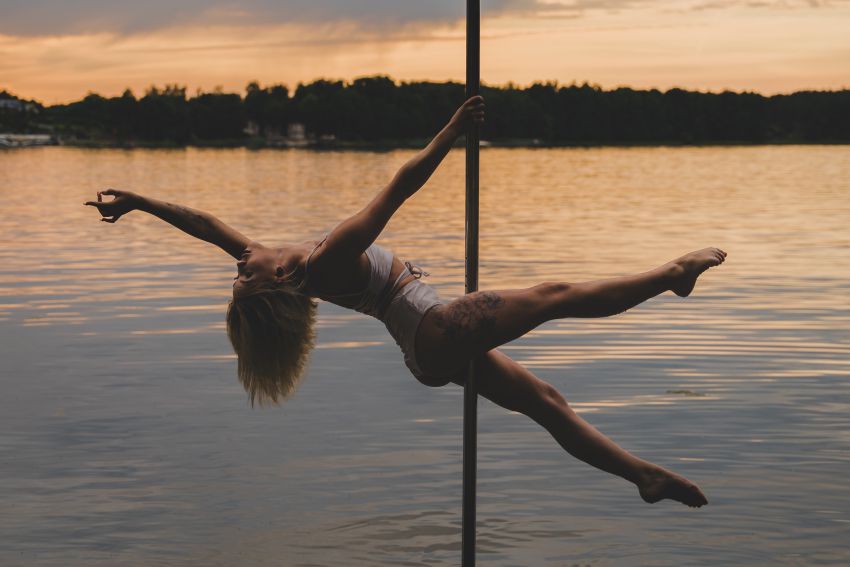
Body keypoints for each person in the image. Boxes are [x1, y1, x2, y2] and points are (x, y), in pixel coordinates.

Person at [86, 96, 725, 508]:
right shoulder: (320, 262)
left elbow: (202, 222)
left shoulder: (269, 261)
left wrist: (139, 202)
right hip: (434, 329)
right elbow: (399, 186)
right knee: (552, 296)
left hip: (424, 346)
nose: (234, 271)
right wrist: (451, 129)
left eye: (234, 279)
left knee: (545, 402)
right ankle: (670, 275)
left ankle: (640, 475)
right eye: (238, 285)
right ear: (270, 288)